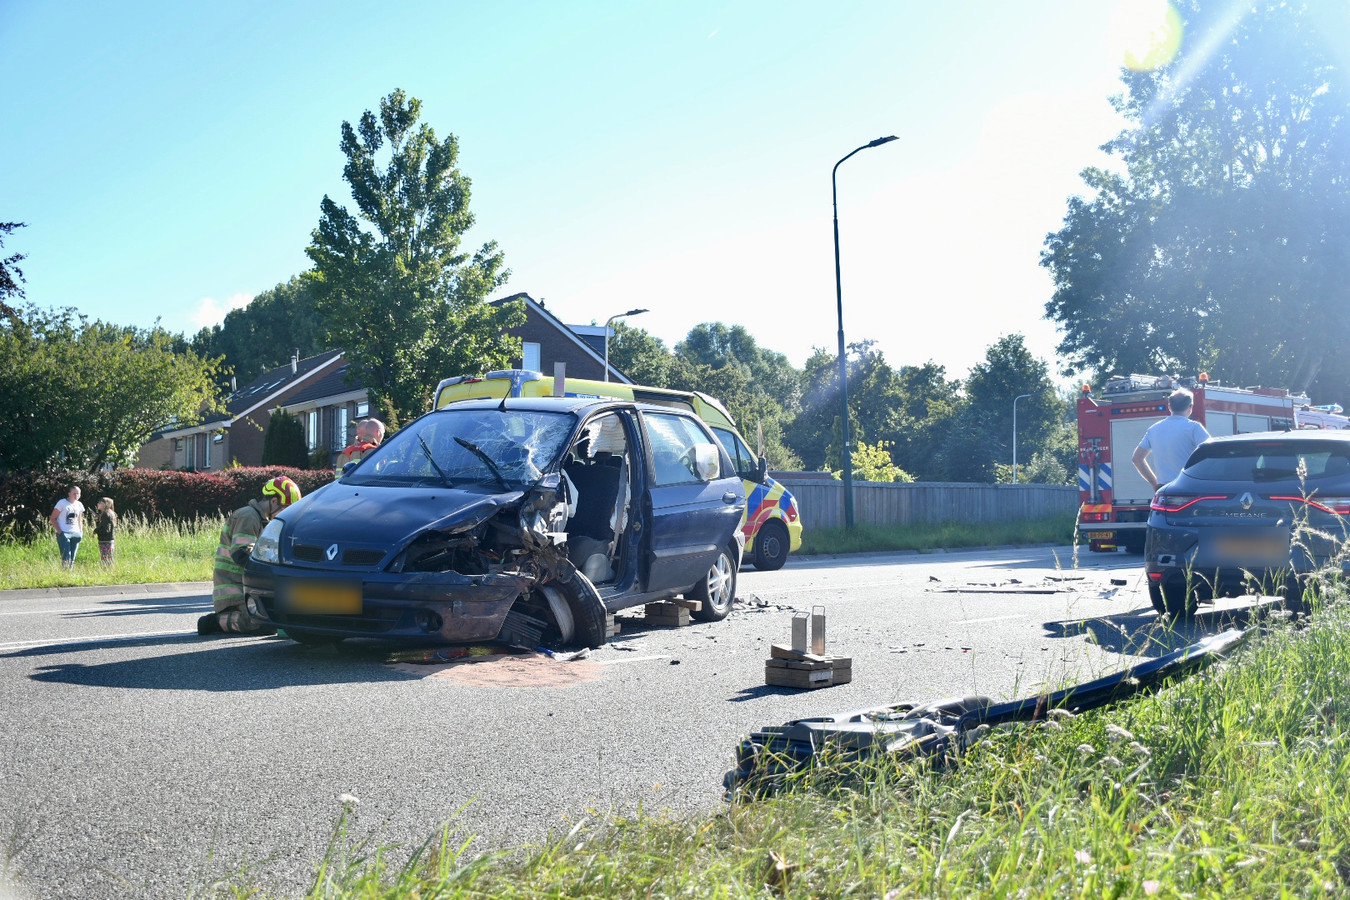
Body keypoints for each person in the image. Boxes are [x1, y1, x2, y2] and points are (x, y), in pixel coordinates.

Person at [198, 476, 302, 636]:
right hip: (233, 591)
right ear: (274, 502)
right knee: (262, 625)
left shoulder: (263, 521)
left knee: (275, 618)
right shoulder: (249, 516)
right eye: (285, 509)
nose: (286, 516)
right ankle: (216, 622)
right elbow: (242, 554)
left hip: (246, 587)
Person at [1132, 387, 1211, 492]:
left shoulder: (1154, 429)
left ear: (1169, 406)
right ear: (1190, 407)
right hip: (1188, 487)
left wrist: (1155, 483)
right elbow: (1211, 452)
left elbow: (1137, 458)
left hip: (1164, 490)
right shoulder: (1194, 428)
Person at [50, 486, 85, 569]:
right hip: (64, 532)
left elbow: (80, 519)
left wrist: (81, 531)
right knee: (66, 556)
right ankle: (65, 572)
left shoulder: (79, 504)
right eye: (74, 493)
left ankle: (70, 573)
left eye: (78, 493)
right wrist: (60, 532)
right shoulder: (62, 503)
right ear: (69, 494)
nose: (76, 495)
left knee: (73, 556)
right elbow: (52, 518)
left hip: (76, 532)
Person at [94, 497, 117, 566]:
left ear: (105, 504)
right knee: (109, 558)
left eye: (100, 503)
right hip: (109, 539)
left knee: (105, 559)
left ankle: (106, 572)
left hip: (105, 540)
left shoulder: (105, 514)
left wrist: (96, 531)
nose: (98, 504)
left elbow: (106, 529)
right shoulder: (110, 513)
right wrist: (98, 520)